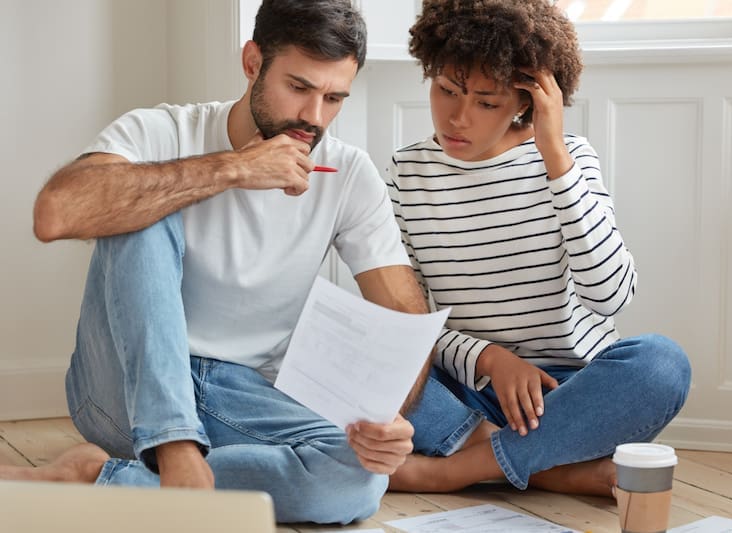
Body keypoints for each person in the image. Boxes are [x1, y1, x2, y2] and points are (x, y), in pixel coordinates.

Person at [1, 0, 432, 525]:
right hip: (122, 383)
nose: (314, 118)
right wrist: (234, 169)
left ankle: (99, 481)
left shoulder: (347, 173)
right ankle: (175, 447)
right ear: (253, 62)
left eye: (334, 98)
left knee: (358, 479)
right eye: (298, 88)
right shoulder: (163, 132)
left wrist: (390, 419)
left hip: (240, 392)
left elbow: (404, 315)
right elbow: (55, 213)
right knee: (139, 200)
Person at [384, 0, 692, 497]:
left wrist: (555, 156)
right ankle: (550, 469)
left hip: (568, 399)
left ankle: (454, 469)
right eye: (446, 91)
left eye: (487, 102)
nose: (459, 117)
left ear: (526, 102)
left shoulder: (570, 160)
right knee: (365, 360)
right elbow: (412, 317)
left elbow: (611, 297)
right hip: (468, 389)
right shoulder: (407, 172)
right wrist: (491, 360)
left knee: (662, 365)